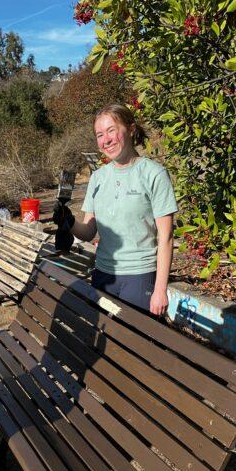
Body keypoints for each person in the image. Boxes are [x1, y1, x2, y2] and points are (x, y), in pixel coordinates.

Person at [54, 103, 178, 315]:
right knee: (105, 342)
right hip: (103, 274)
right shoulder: (98, 178)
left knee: (136, 343)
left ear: (130, 130)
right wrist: (69, 221)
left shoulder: (154, 174)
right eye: (100, 134)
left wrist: (160, 290)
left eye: (112, 130)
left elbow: (165, 237)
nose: (106, 140)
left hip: (140, 277)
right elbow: (89, 231)